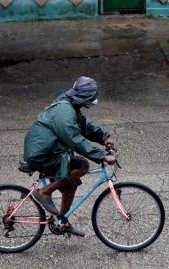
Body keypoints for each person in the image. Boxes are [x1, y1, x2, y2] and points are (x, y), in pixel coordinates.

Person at [23, 76, 117, 237]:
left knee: (71, 184)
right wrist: (101, 155)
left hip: (50, 151)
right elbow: (73, 138)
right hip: (43, 154)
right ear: (85, 98)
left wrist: (104, 137)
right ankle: (44, 192)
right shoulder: (64, 111)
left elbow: (83, 125)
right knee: (82, 165)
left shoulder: (70, 105)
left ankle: (62, 221)